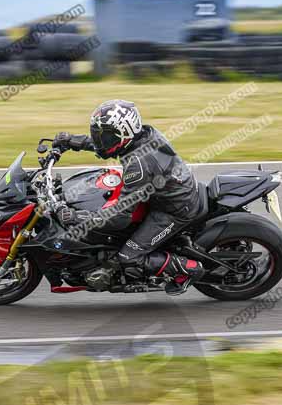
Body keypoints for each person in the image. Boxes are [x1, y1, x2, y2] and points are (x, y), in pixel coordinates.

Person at [53, 99, 205, 293]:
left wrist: (77, 217)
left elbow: (120, 216)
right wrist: (74, 141)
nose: (100, 139)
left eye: (104, 136)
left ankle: (189, 270)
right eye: (99, 135)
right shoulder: (142, 135)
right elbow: (106, 145)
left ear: (123, 133)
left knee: (129, 257)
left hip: (173, 210)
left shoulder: (138, 166)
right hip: (165, 193)